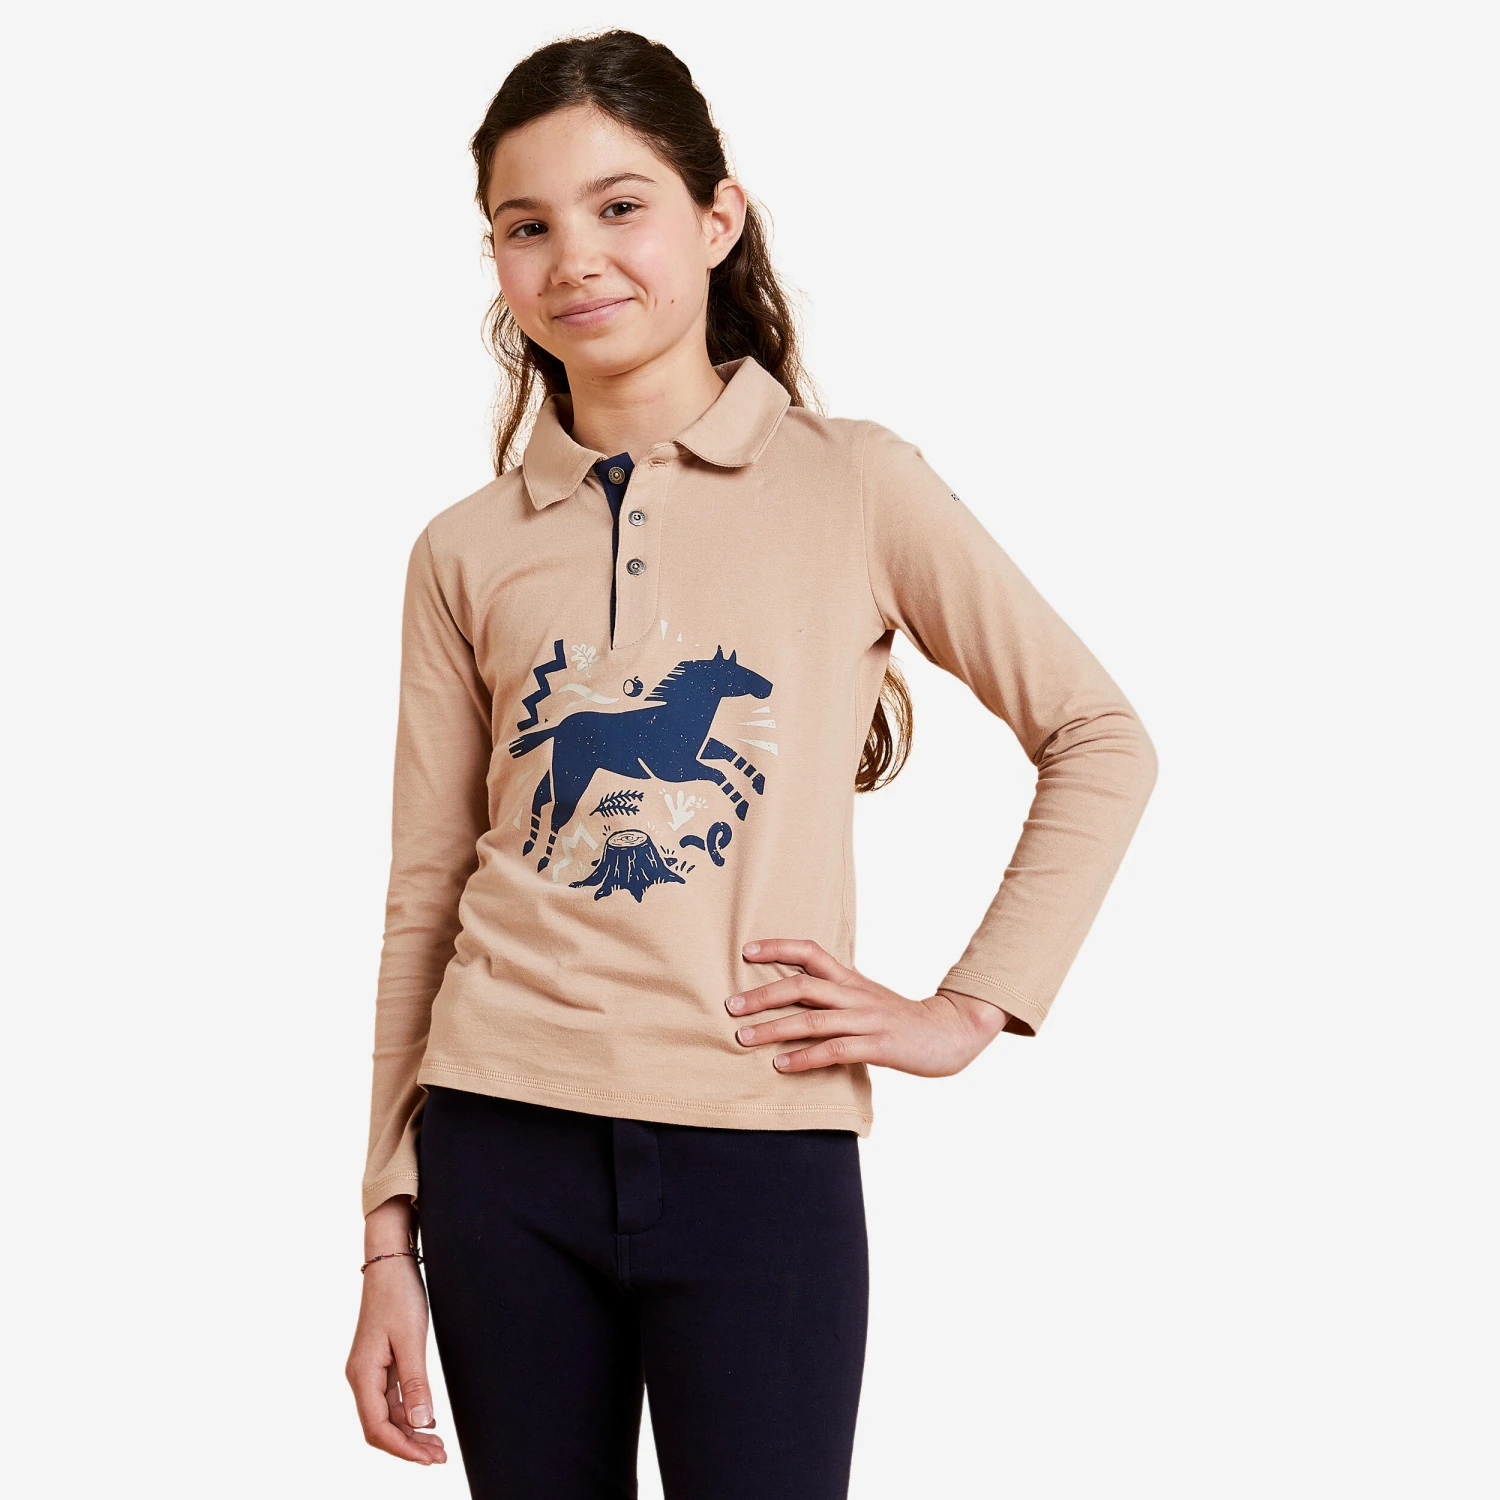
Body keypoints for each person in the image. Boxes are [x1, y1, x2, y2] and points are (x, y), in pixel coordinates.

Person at [345, 28, 1158, 1500]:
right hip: (495, 1149)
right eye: (526, 227)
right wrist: (385, 1231)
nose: (576, 259)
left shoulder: (857, 484)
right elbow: (425, 889)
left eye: (621, 206)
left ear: (718, 219)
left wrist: (968, 1010)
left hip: (759, 1143)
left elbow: (1098, 737)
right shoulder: (464, 549)